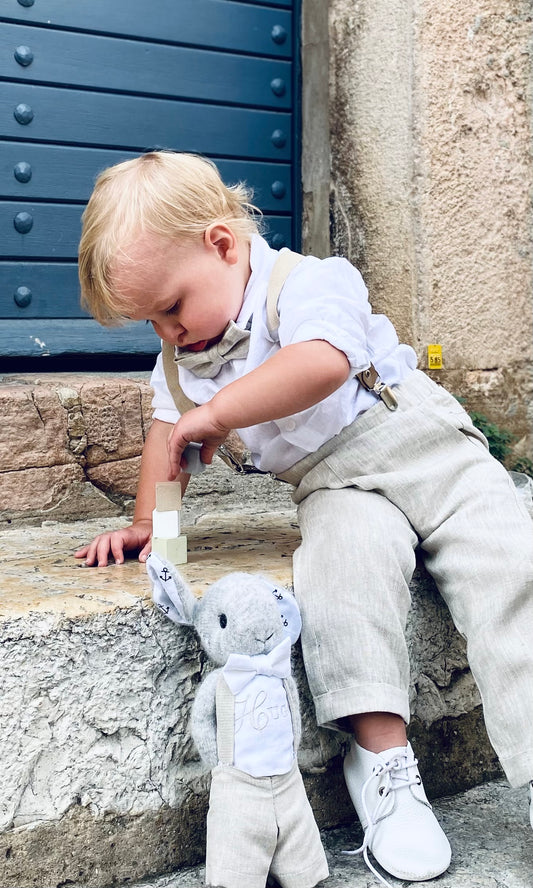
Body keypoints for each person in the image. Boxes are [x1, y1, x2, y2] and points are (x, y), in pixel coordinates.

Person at [76, 150, 533, 886]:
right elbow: (167, 437)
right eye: (150, 322)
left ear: (221, 245)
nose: (167, 332)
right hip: (333, 485)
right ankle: (382, 767)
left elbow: (321, 362)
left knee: (510, 567)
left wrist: (221, 411)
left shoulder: (307, 282)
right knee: (337, 580)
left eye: (171, 306)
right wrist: (151, 528)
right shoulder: (182, 362)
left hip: (419, 447)